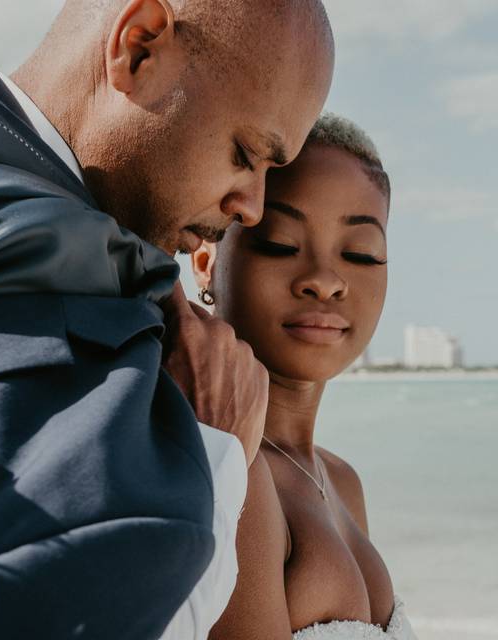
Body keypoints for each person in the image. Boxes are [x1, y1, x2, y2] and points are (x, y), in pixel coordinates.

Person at [0, 1, 333, 638]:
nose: (253, 207)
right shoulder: (75, 289)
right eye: (245, 154)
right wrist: (213, 451)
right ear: (139, 47)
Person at [191, 114, 417, 639]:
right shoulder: (229, 467)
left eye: (361, 253)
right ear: (206, 260)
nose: (325, 280)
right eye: (281, 243)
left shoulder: (341, 481)